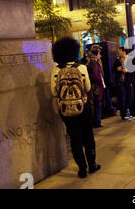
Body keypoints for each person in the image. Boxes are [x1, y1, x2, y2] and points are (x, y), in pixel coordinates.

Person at [50, 37, 100, 178]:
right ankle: (92, 165)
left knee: (74, 137)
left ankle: (82, 169)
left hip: (65, 110)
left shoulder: (56, 71)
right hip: (83, 108)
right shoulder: (81, 67)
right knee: (88, 136)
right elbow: (88, 87)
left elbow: (53, 92)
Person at [113, 47, 135, 121]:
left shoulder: (130, 60)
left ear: (123, 52)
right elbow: (112, 70)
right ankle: (123, 115)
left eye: (119, 51)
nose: (118, 52)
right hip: (120, 82)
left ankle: (129, 113)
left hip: (128, 81)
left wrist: (128, 71)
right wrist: (117, 69)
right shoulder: (117, 60)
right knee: (122, 97)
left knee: (129, 97)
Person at [87, 45, 105, 128]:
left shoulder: (91, 63)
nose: (100, 55)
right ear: (95, 55)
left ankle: (96, 122)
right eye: (99, 53)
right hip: (96, 88)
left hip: (94, 87)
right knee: (97, 105)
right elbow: (94, 76)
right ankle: (97, 122)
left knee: (96, 105)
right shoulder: (94, 64)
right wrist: (100, 81)